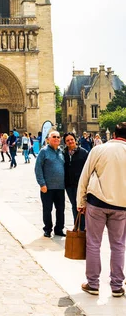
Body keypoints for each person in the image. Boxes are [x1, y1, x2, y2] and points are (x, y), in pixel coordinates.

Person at [77, 122, 126, 297]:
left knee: (93, 244)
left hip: (97, 203)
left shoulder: (99, 150)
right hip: (121, 206)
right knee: (119, 246)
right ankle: (117, 286)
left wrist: (80, 202)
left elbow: (85, 176)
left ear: (113, 134)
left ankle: (93, 284)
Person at [34, 130, 65, 238]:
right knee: (47, 209)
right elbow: (38, 168)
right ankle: (47, 229)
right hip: (47, 187)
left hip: (60, 187)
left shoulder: (62, 152)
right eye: (54, 137)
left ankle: (59, 229)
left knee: (61, 209)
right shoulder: (44, 151)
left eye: (58, 137)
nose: (56, 139)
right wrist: (42, 184)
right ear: (48, 139)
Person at [63, 132, 88, 230]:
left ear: (75, 140)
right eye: (67, 140)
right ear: (65, 142)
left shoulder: (83, 152)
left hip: (81, 184)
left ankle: (83, 227)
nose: (70, 142)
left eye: (71, 139)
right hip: (69, 184)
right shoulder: (63, 153)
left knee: (81, 205)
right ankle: (77, 225)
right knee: (74, 205)